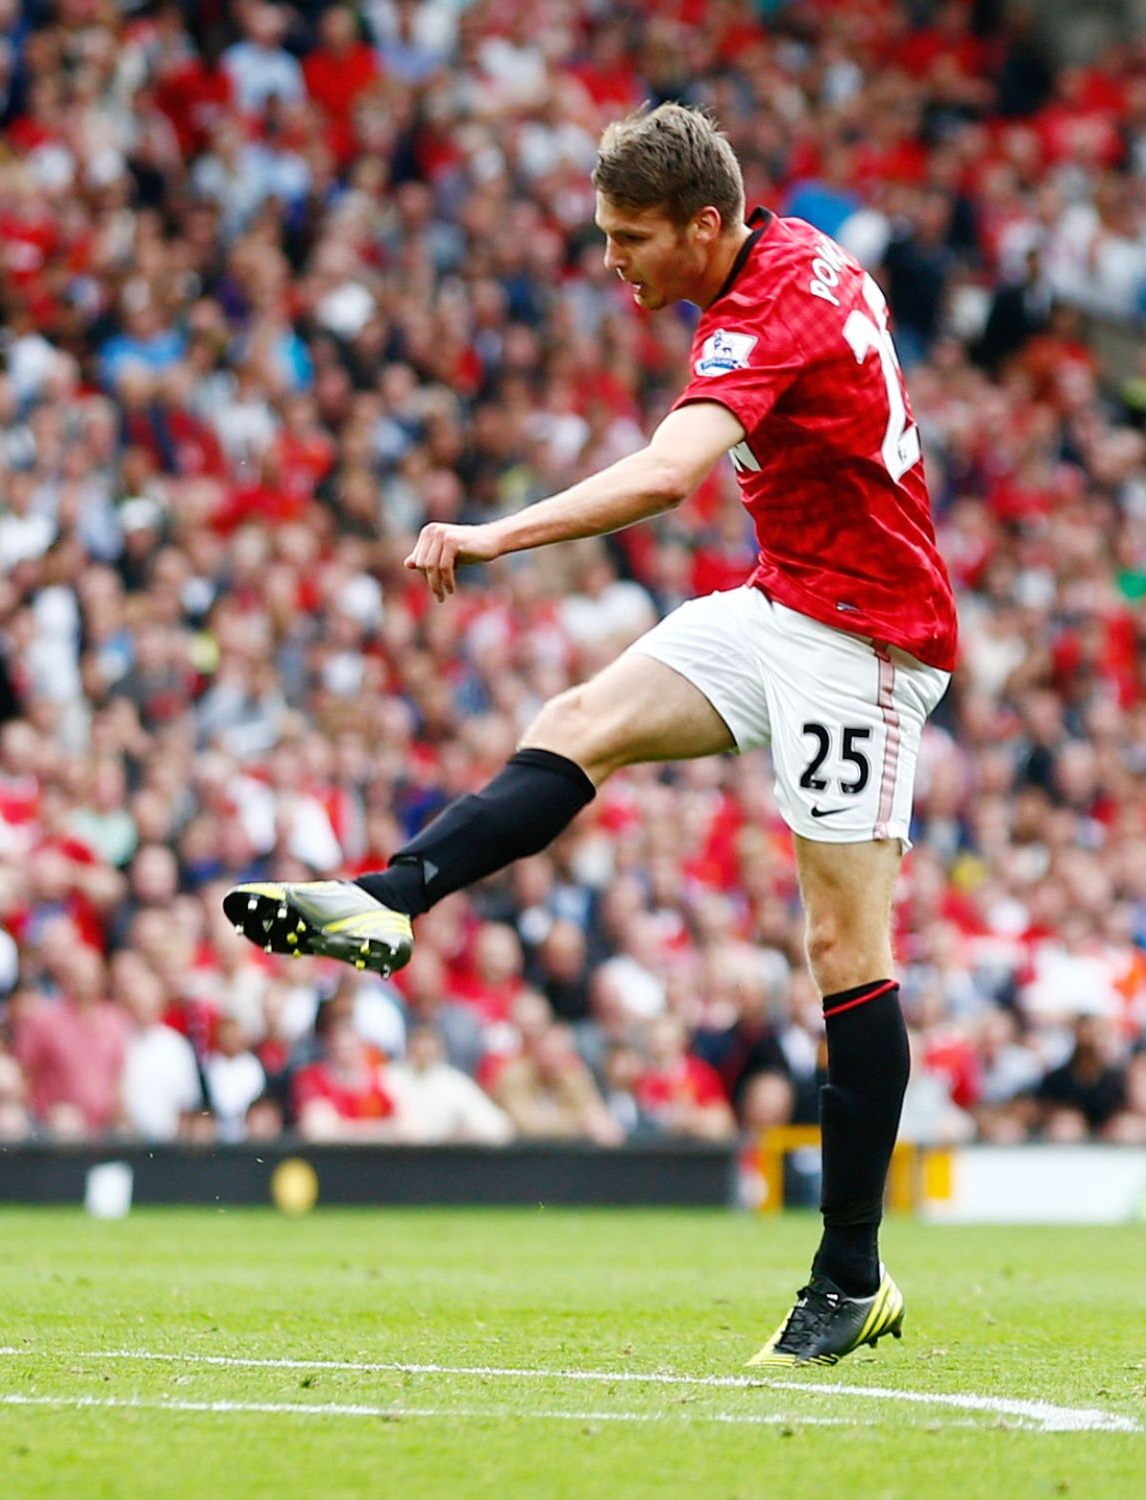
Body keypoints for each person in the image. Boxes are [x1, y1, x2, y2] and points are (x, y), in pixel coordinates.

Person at [222, 103, 955, 1369]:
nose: (613, 261)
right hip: (786, 600)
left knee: (845, 946)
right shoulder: (796, 256)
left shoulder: (767, 305)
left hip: (866, 642)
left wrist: (493, 534)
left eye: (632, 238)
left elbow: (668, 476)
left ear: (707, 225)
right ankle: (391, 898)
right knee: (579, 722)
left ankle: (851, 1275)